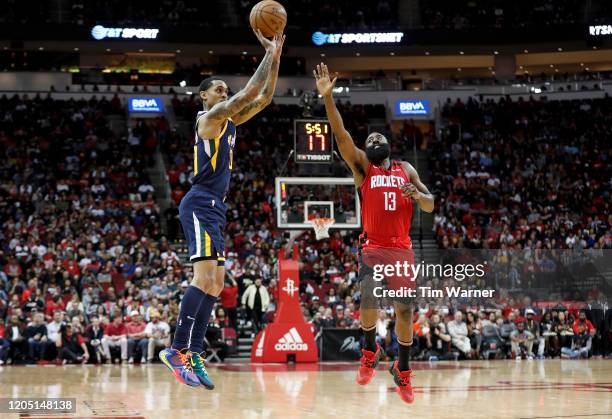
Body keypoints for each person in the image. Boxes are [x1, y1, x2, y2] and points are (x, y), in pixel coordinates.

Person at [159, 30, 285, 389]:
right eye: (218, 90)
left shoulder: (229, 122)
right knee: (203, 279)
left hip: (215, 208)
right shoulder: (209, 120)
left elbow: (263, 97)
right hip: (199, 202)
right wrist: (269, 52)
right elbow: (247, 93)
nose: (224, 94)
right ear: (203, 97)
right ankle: (176, 349)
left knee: (215, 284)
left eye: (224, 92)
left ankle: (194, 351)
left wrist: (276, 58)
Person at [314, 63, 434, 404]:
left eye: (378, 137)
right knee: (368, 296)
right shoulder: (363, 167)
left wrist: (419, 195)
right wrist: (328, 99)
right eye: (369, 139)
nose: (374, 139)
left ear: (389, 145)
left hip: (402, 249)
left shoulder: (406, 170)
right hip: (373, 246)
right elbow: (341, 136)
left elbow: (430, 206)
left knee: (405, 311)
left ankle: (403, 370)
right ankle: (369, 350)